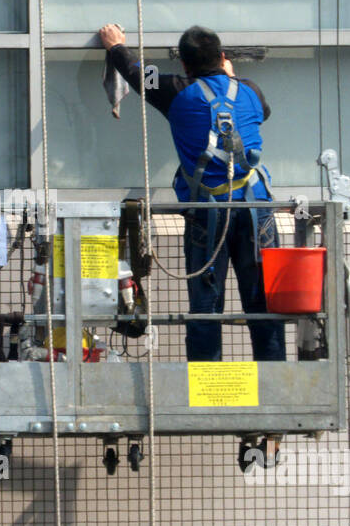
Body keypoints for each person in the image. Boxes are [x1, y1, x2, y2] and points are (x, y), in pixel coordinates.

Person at [98, 22, 286, 363]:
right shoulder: (251, 91)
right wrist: (234, 79)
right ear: (223, 57)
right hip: (256, 212)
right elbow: (264, 113)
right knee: (263, 306)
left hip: (207, 213)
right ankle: (274, 394)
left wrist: (115, 46)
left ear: (184, 65)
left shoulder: (174, 90)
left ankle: (206, 395)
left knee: (205, 308)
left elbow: (138, 73)